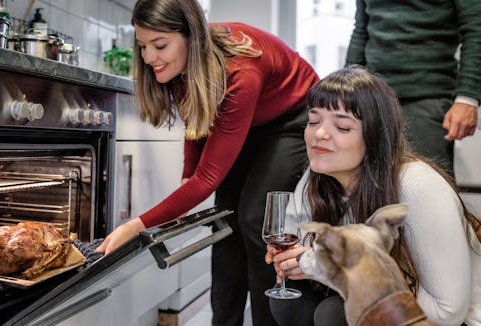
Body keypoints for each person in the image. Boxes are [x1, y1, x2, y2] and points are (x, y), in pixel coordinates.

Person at [95, 0, 319, 325]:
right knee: (225, 219)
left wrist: (136, 225)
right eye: (143, 46)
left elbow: (209, 178)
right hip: (250, 117)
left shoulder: (240, 72)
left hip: (291, 115)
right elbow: (197, 119)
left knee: (256, 217)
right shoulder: (183, 64)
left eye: (160, 45)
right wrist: (188, 175)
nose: (148, 58)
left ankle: (267, 320)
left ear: (192, 37)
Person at [265, 66, 481, 326]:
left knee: (334, 314)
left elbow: (448, 313)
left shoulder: (417, 186)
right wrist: (297, 262)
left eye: (342, 127)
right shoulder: (317, 178)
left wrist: (330, 266)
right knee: (291, 300)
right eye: (313, 121)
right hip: (384, 301)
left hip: (452, 321)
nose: (319, 134)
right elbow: (304, 251)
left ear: (375, 138)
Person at [345, 0, 481, 177]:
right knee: (372, 186)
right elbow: (361, 30)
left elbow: (476, 30)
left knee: (429, 186)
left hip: (427, 96)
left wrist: (467, 98)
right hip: (371, 97)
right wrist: (346, 89)